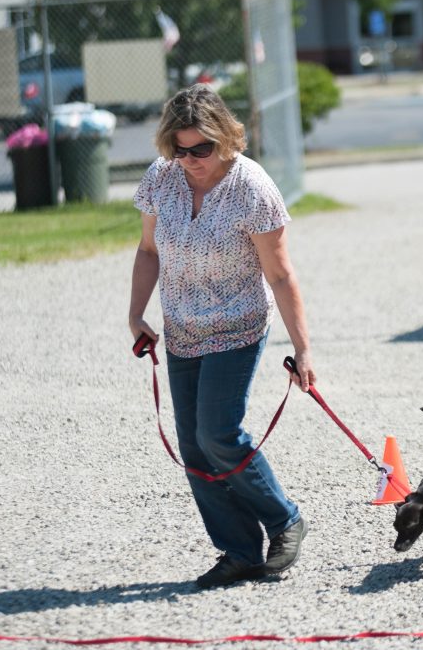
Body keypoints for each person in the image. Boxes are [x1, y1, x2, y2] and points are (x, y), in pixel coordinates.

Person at [128, 84, 315, 589]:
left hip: (237, 327)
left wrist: (302, 348)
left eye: (201, 149)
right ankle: (237, 551)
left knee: (218, 434)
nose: (190, 160)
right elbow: (148, 252)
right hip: (182, 330)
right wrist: (136, 314)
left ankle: (284, 520)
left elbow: (280, 275)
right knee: (193, 446)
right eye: (179, 150)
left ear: (225, 139)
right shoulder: (161, 180)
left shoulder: (252, 188)